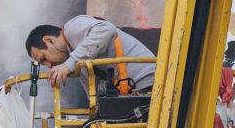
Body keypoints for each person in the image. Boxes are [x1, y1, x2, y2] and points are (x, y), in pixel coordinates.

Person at [25, 16, 156, 93]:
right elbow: (95, 104)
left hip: (149, 82)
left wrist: (68, 65)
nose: (48, 65)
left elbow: (107, 28)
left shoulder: (72, 27)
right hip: (135, 92)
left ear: (49, 40)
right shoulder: (78, 59)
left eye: (44, 58)